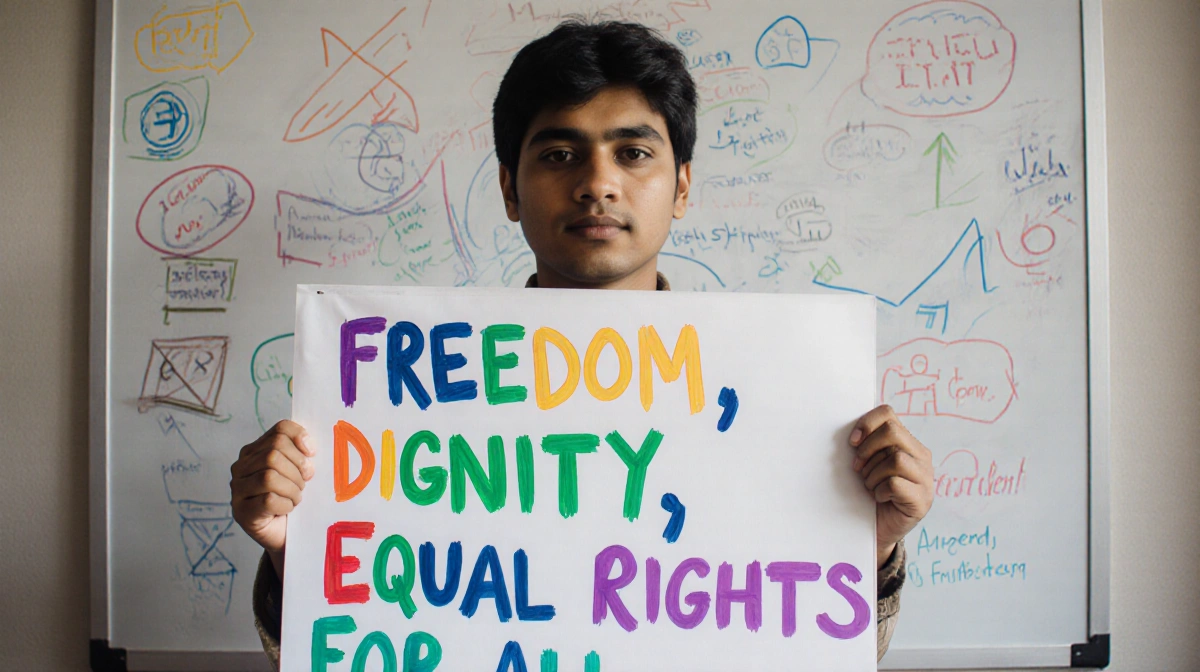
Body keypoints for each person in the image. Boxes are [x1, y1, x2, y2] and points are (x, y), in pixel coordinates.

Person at [230, 20, 935, 670]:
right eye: (560, 154)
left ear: (682, 186)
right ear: (510, 189)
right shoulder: (406, 400)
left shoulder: (782, 397)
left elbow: (809, 648)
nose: (598, 184)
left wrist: (868, 543)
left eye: (633, 153)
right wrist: (299, 552)